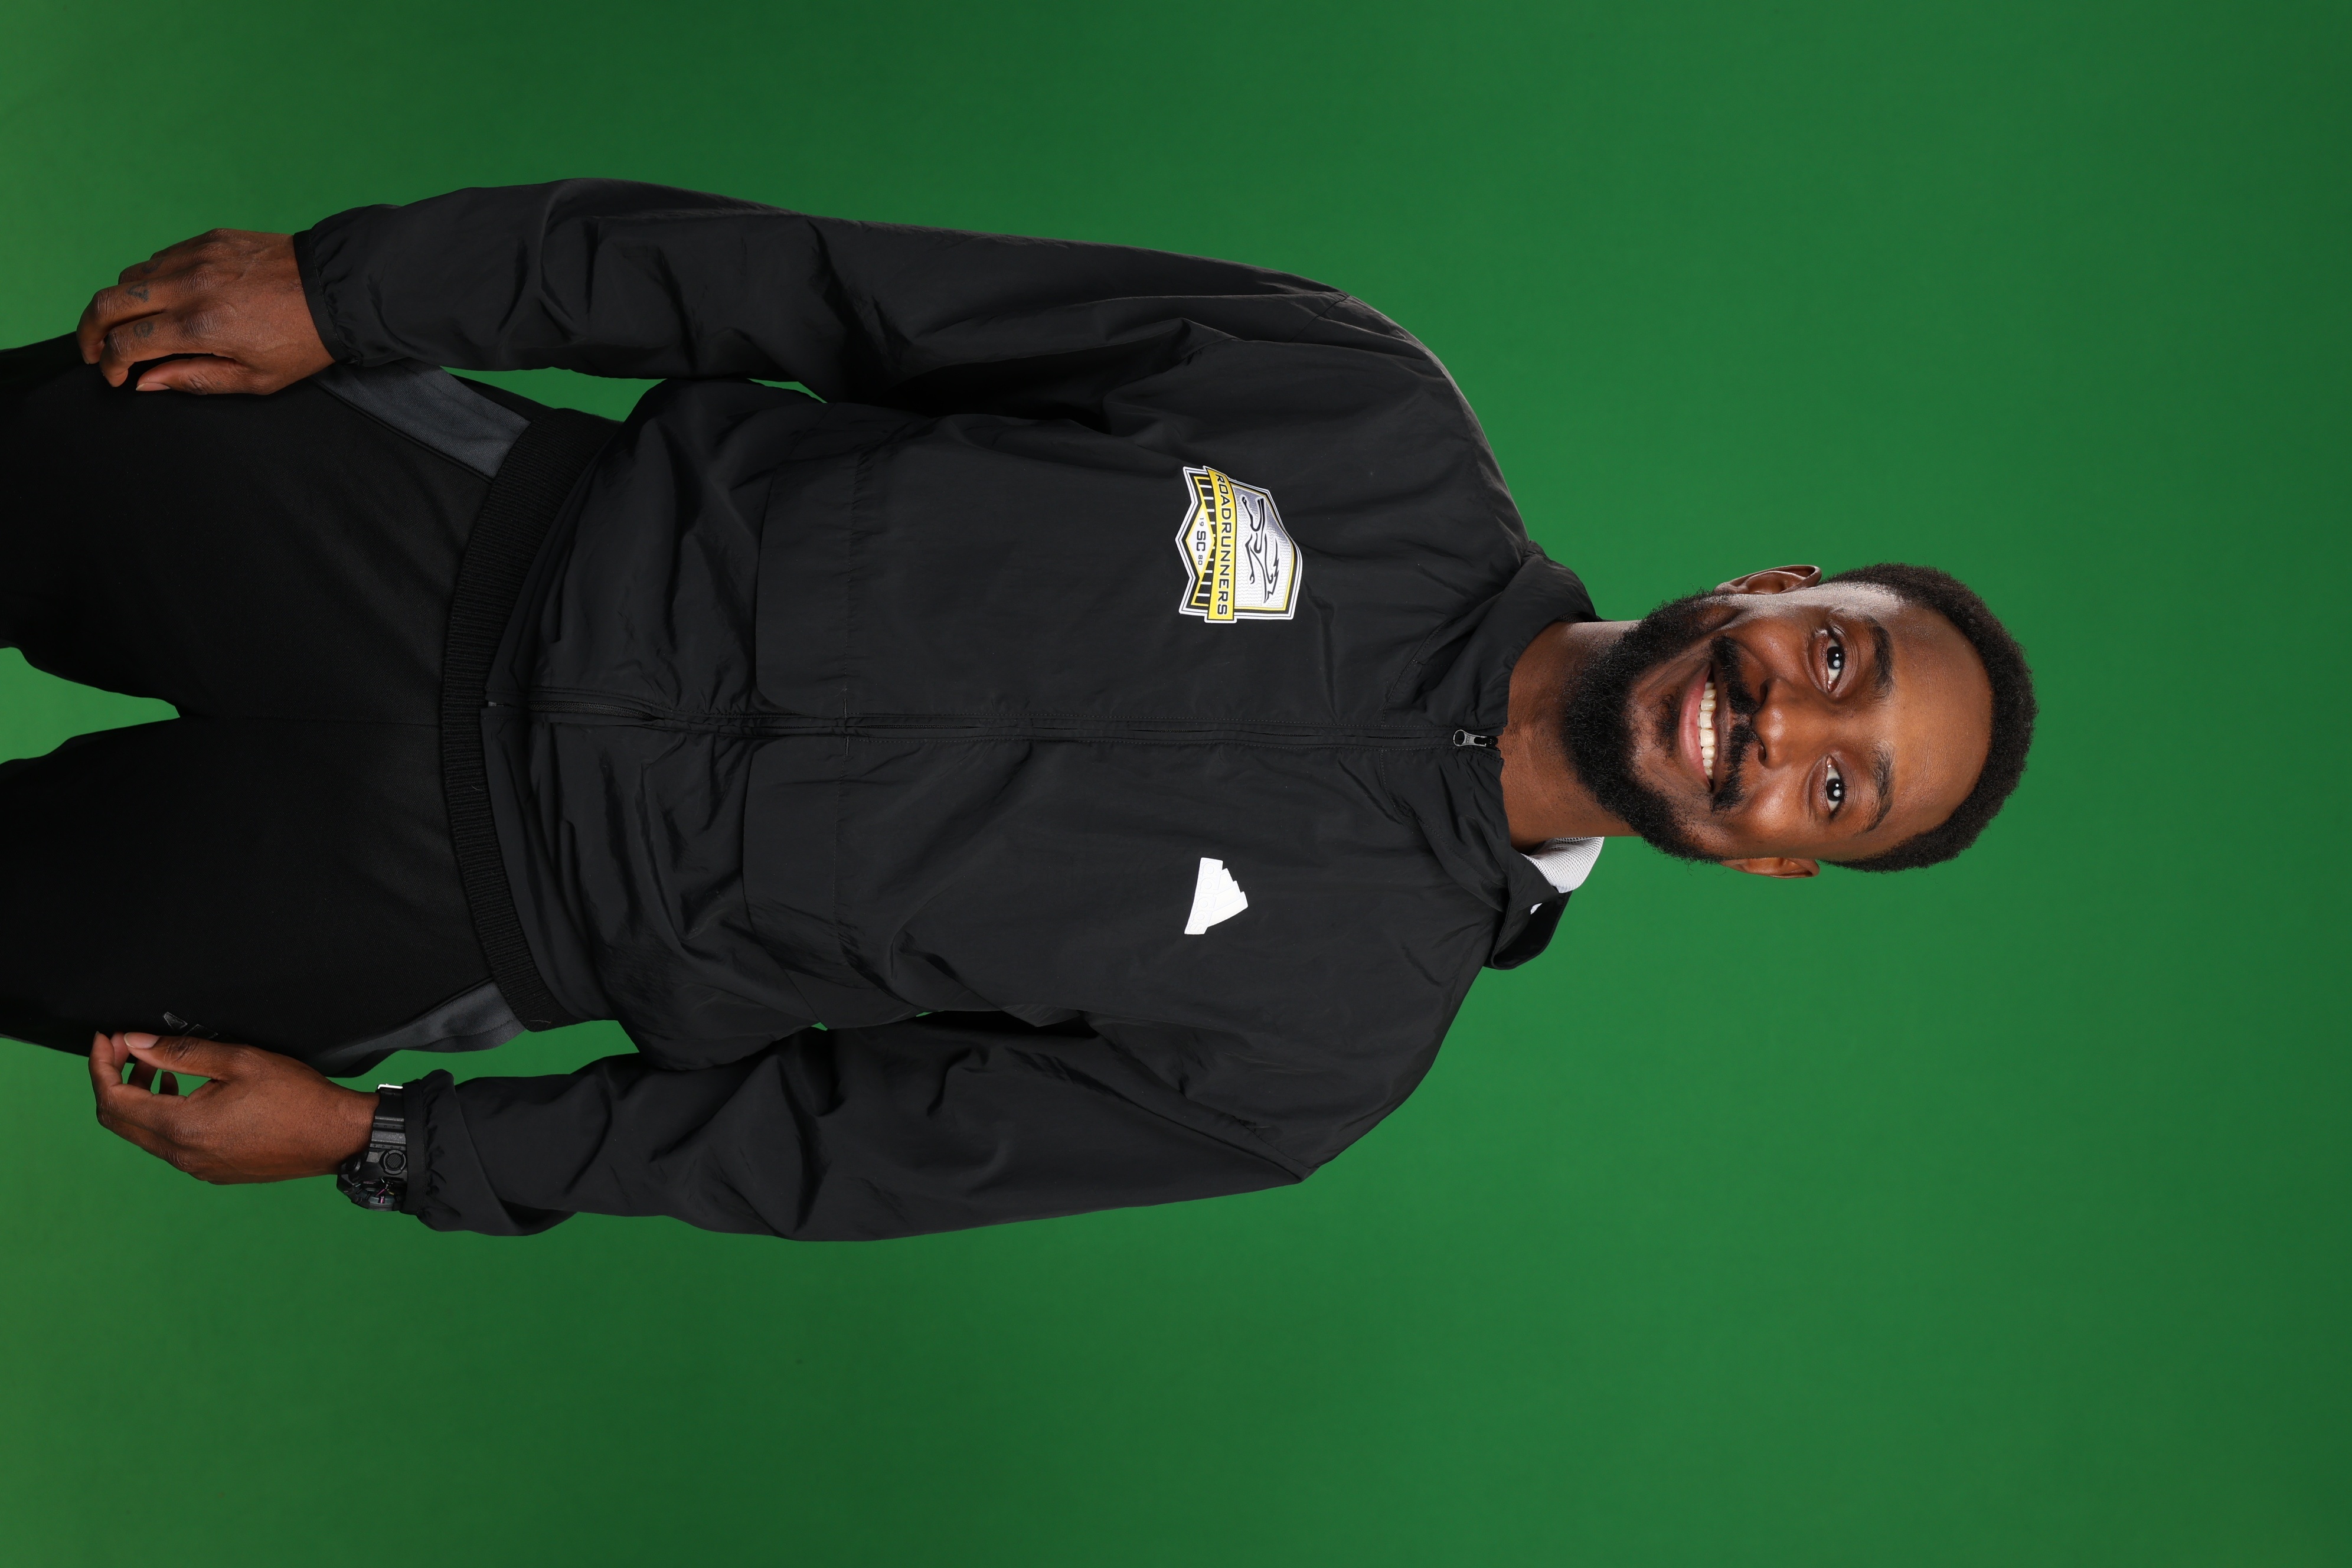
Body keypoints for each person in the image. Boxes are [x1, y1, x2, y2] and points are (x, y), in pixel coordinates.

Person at [9, 180, 2036, 1240]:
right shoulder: (1364, 419)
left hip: (440, 912)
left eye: (1840, 792)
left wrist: (395, 1147)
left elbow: (830, 1151)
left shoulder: (1319, 1059)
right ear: (1775, 589)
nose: (1785, 732)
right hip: (436, 525)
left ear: (1781, 864)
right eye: (1838, 661)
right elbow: (820, 286)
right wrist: (363, 290)